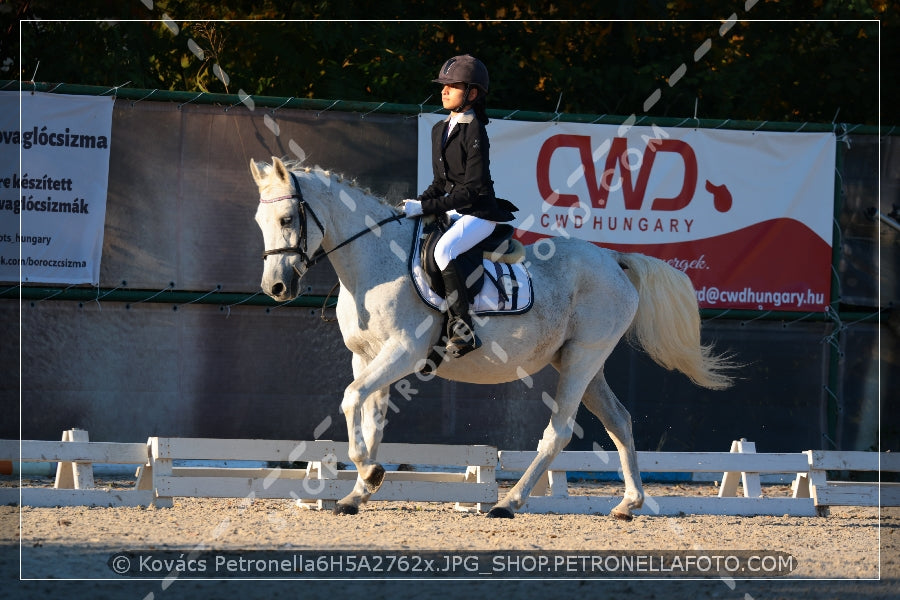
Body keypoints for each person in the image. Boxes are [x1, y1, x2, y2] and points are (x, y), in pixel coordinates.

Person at [403, 54, 517, 358]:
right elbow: (440, 183)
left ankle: (463, 330)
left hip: (479, 212)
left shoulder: (474, 129)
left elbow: (472, 190)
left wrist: (431, 207)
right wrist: (417, 204)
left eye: (452, 86)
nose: (444, 91)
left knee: (444, 251)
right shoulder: (438, 129)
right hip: (454, 208)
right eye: (443, 85)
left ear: (472, 94)